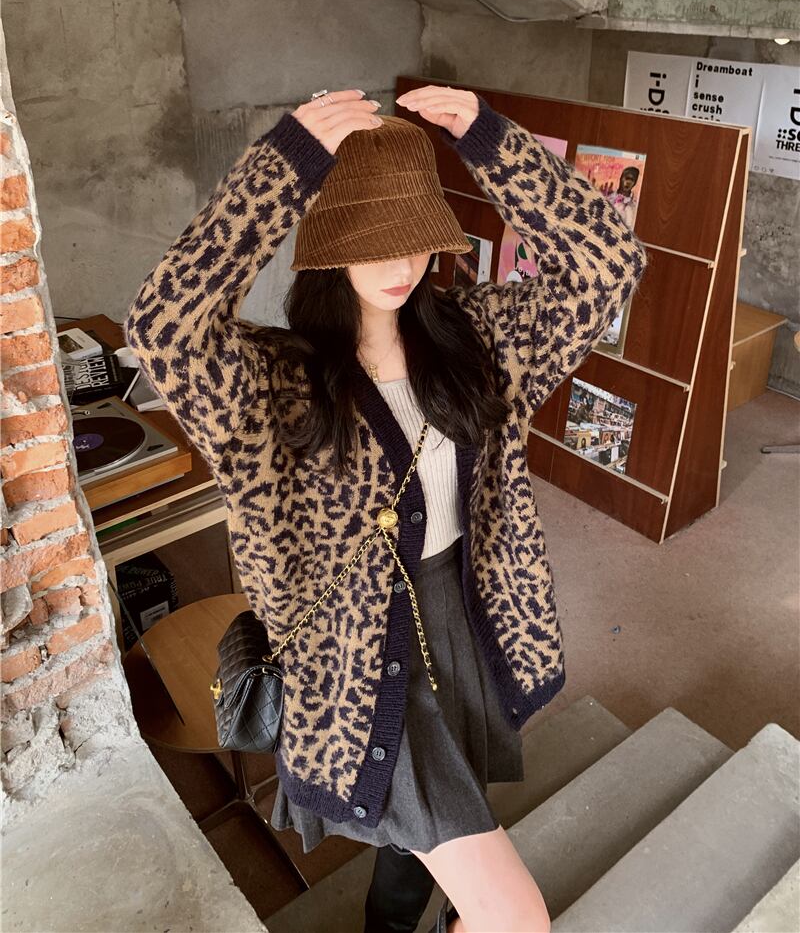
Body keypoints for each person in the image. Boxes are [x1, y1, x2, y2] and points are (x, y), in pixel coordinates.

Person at [124, 85, 646, 933]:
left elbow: (607, 267)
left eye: (416, 237)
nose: (402, 263)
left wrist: (491, 141)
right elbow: (163, 327)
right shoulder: (274, 387)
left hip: (460, 620)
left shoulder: (479, 340)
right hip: (352, 661)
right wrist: (282, 169)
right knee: (516, 916)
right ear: (330, 245)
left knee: (417, 850)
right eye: (375, 240)